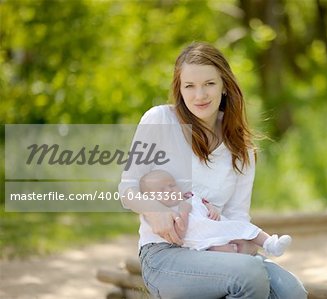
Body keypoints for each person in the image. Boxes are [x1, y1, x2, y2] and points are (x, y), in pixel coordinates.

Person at [119, 42, 307, 299]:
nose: (200, 95)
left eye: (209, 84)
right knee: (249, 275)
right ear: (179, 89)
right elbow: (127, 189)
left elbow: (237, 217)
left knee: (291, 292)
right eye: (190, 86)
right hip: (165, 253)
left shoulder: (241, 148)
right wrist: (155, 211)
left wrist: (238, 247)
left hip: (219, 250)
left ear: (225, 86)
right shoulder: (160, 120)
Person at [139, 169, 292, 256]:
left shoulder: (188, 195)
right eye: (161, 190)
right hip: (203, 239)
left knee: (243, 227)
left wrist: (211, 208)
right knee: (218, 250)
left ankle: (271, 243)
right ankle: (240, 259)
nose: (169, 190)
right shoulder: (168, 213)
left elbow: (203, 202)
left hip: (218, 225)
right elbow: (178, 234)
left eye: (171, 185)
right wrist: (184, 212)